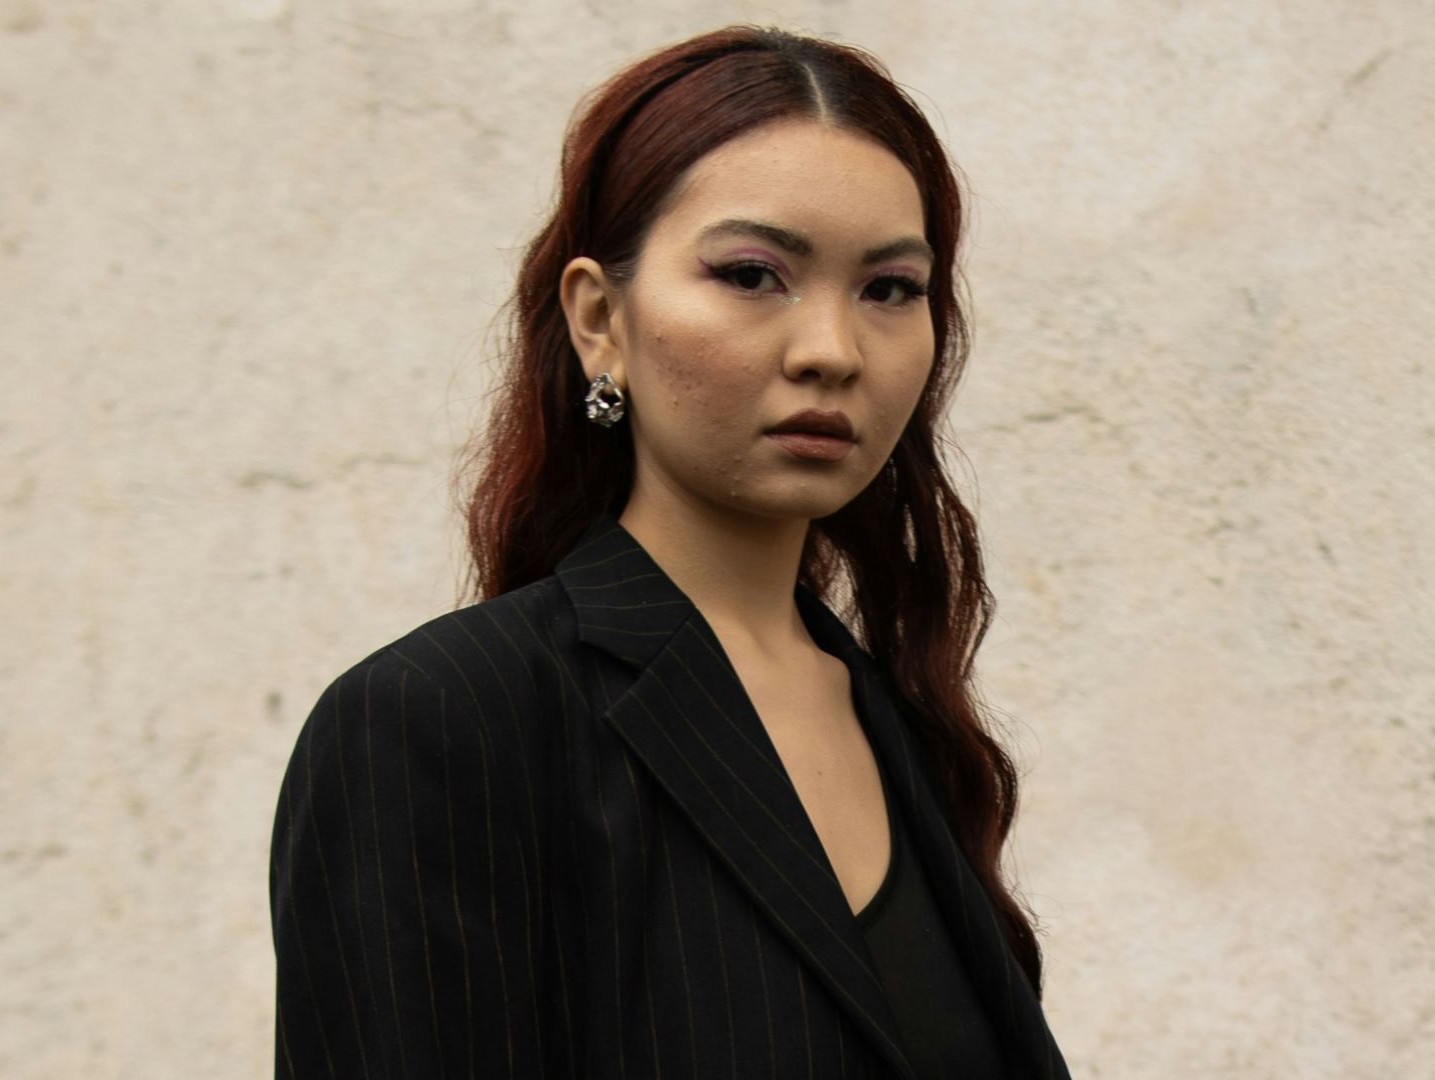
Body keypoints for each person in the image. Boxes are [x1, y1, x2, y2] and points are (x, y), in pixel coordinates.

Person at [270, 24, 1071, 1079]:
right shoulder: (440, 721)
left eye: (890, 290)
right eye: (752, 273)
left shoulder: (904, 726)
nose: (831, 350)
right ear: (601, 320)